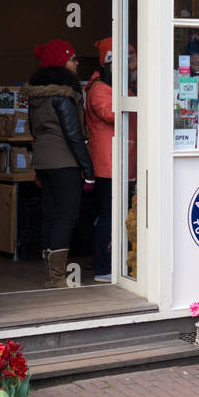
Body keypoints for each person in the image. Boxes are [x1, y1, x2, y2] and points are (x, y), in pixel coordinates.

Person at [26, 39, 94, 288]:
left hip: (43, 161)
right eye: (72, 58)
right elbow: (74, 135)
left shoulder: (36, 95)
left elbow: (34, 129)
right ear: (61, 62)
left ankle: (50, 273)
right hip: (65, 162)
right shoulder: (64, 95)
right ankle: (56, 278)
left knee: (51, 215)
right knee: (66, 216)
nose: (76, 63)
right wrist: (88, 170)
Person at [85, 38, 120, 283]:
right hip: (108, 162)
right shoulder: (99, 88)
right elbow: (111, 115)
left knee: (114, 213)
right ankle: (103, 266)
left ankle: (114, 263)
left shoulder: (111, 85)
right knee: (108, 214)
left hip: (118, 159)